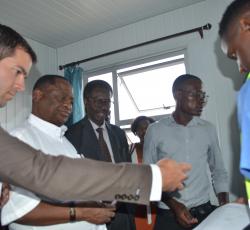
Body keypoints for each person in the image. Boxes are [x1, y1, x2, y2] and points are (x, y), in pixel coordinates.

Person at [0, 23, 191, 204]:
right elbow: (51, 175)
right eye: (17, 71)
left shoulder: (62, 140)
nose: (21, 86)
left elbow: (59, 175)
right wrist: (152, 178)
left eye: (24, 76)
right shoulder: (30, 136)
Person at [1, 75, 116, 230]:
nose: (68, 105)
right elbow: (16, 212)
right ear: (37, 96)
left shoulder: (66, 143)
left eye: (71, 101)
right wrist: (82, 213)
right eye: (61, 98)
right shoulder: (20, 140)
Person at [144, 74, 229, 230]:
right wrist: (174, 205)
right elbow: (149, 177)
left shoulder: (208, 129)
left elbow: (218, 171)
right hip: (168, 215)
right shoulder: (155, 130)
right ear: (178, 94)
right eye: (195, 94)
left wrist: (225, 206)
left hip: (204, 213)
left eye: (202, 95)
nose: (201, 99)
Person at [66, 80, 135, 230]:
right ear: (85, 101)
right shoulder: (71, 135)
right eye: (98, 101)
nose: (103, 106)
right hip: (91, 215)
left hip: (123, 213)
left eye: (107, 101)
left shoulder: (118, 133)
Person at [130, 116, 156, 230]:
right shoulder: (130, 149)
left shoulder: (160, 149)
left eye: (148, 128)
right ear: (136, 132)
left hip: (157, 203)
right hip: (137, 205)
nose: (145, 131)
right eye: (141, 129)